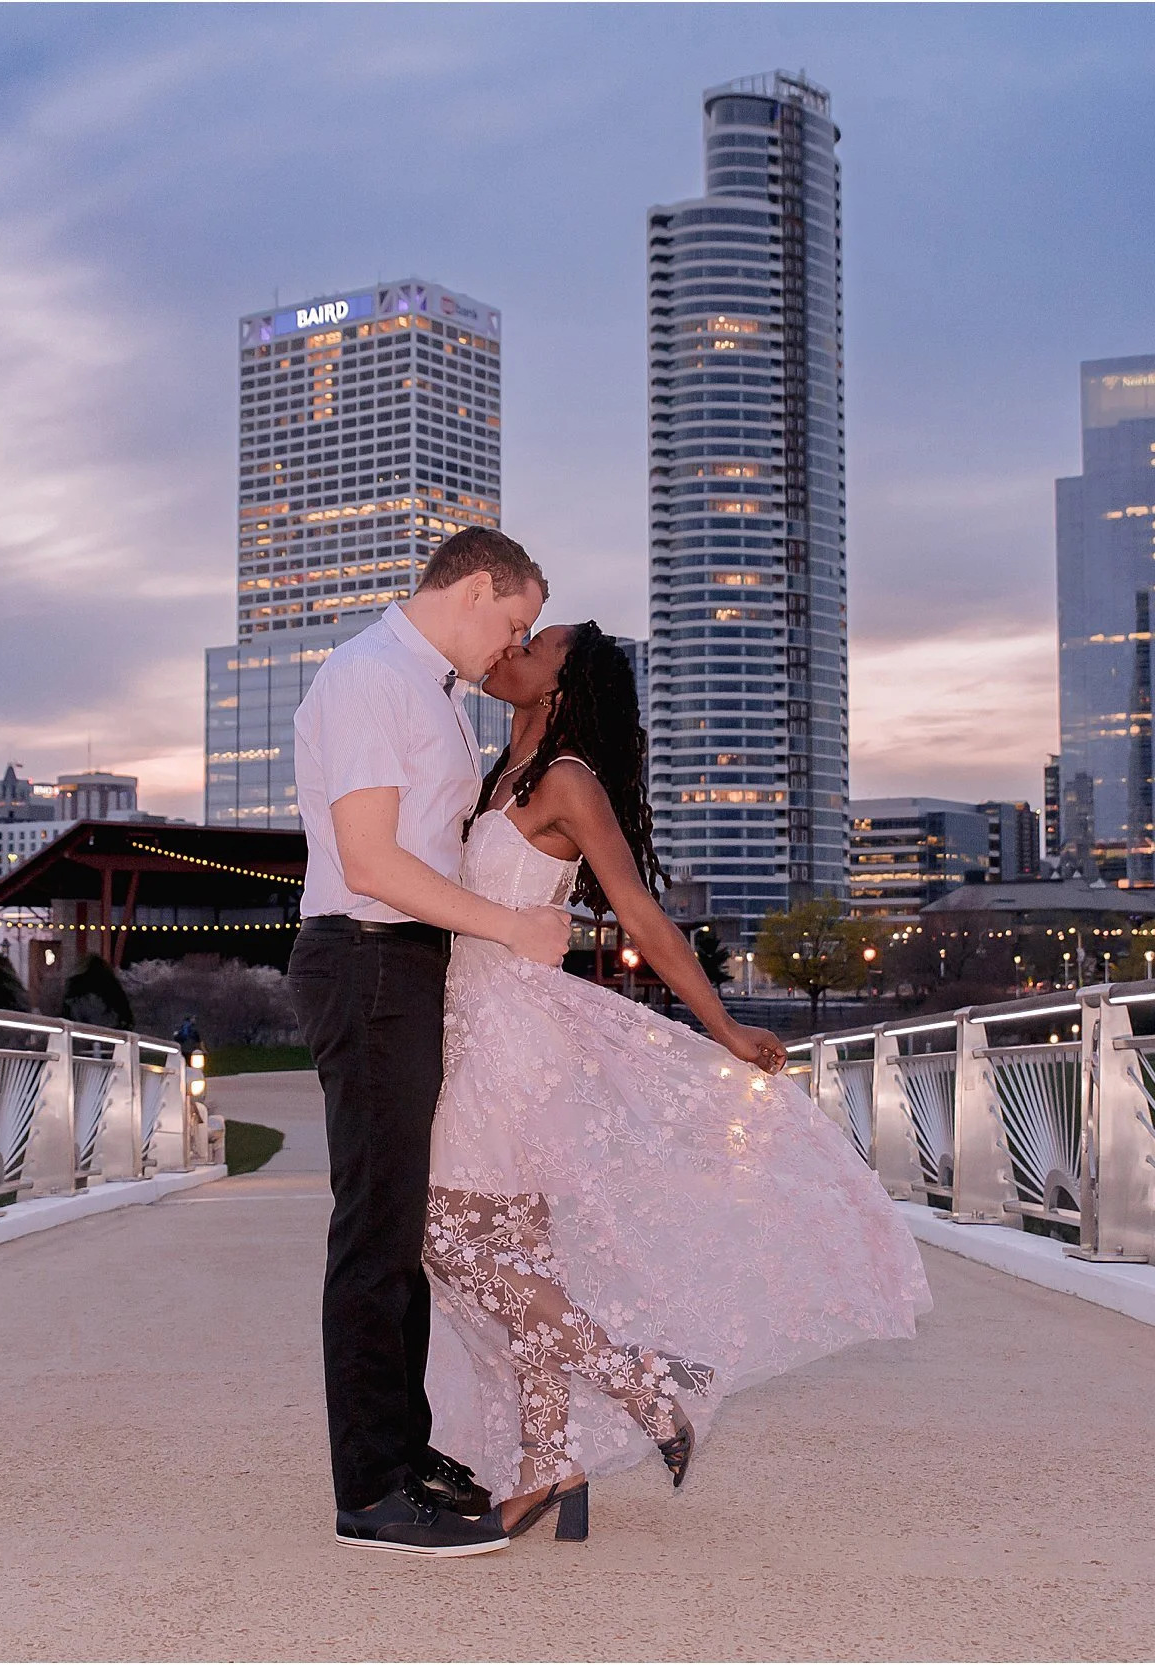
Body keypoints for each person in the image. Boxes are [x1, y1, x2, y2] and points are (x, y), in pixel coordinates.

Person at [422, 621, 934, 1542]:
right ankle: (549, 1461)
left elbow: (644, 919)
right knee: (517, 1258)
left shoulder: (567, 780)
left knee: (448, 1240)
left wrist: (723, 1025)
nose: (513, 651)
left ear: (563, 686)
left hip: (516, 1040)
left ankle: (645, 1383)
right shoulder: (499, 775)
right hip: (474, 1028)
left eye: (535, 646)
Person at [288, 527, 572, 1558]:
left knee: (398, 1227)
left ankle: (401, 1455)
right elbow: (369, 862)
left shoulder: (425, 689)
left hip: (400, 966)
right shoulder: (371, 677)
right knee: (376, 1230)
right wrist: (511, 927)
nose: (513, 644)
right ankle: (371, 1492)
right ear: (478, 586)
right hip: (367, 958)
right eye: (514, 620)